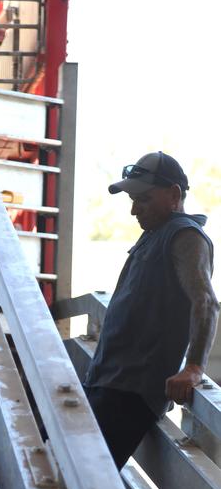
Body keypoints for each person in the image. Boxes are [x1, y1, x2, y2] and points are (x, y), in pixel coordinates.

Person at [83, 151, 220, 469]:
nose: (133, 210)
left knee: (86, 480)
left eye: (143, 199)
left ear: (174, 195)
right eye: (132, 199)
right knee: (70, 470)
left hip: (129, 392)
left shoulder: (185, 235)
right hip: (108, 382)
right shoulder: (154, 236)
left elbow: (206, 301)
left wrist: (194, 367)